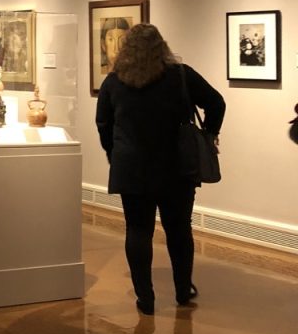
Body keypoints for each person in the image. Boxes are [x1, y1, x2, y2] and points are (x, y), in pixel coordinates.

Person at [95, 23, 225, 315]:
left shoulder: (114, 81)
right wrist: (211, 133)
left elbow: (103, 123)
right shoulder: (180, 75)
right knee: (179, 228)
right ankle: (182, 289)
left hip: (131, 168)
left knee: (138, 230)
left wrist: (114, 153)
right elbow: (216, 102)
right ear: (161, 46)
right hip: (177, 166)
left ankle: (146, 298)